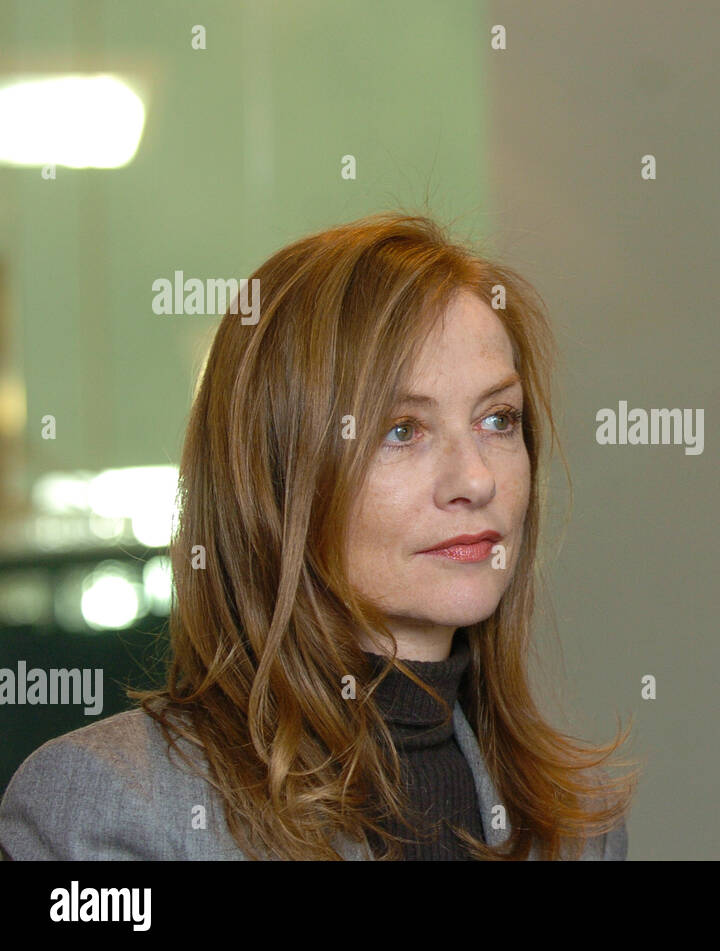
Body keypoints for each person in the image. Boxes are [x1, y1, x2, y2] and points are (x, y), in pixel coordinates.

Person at [0, 212, 638, 860]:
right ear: (276, 474)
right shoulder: (107, 806)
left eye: (498, 419)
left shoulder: (575, 821)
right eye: (402, 429)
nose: (475, 478)